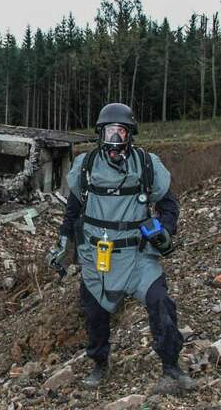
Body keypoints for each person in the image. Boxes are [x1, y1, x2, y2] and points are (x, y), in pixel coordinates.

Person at [45, 102, 195, 392]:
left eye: (121, 132)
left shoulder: (147, 165)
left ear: (130, 134)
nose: (115, 138)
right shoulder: (86, 167)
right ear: (100, 133)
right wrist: (64, 243)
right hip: (98, 257)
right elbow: (72, 212)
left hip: (138, 256)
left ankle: (171, 366)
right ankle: (100, 363)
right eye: (109, 131)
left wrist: (165, 230)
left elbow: (169, 206)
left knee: (160, 301)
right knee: (95, 312)